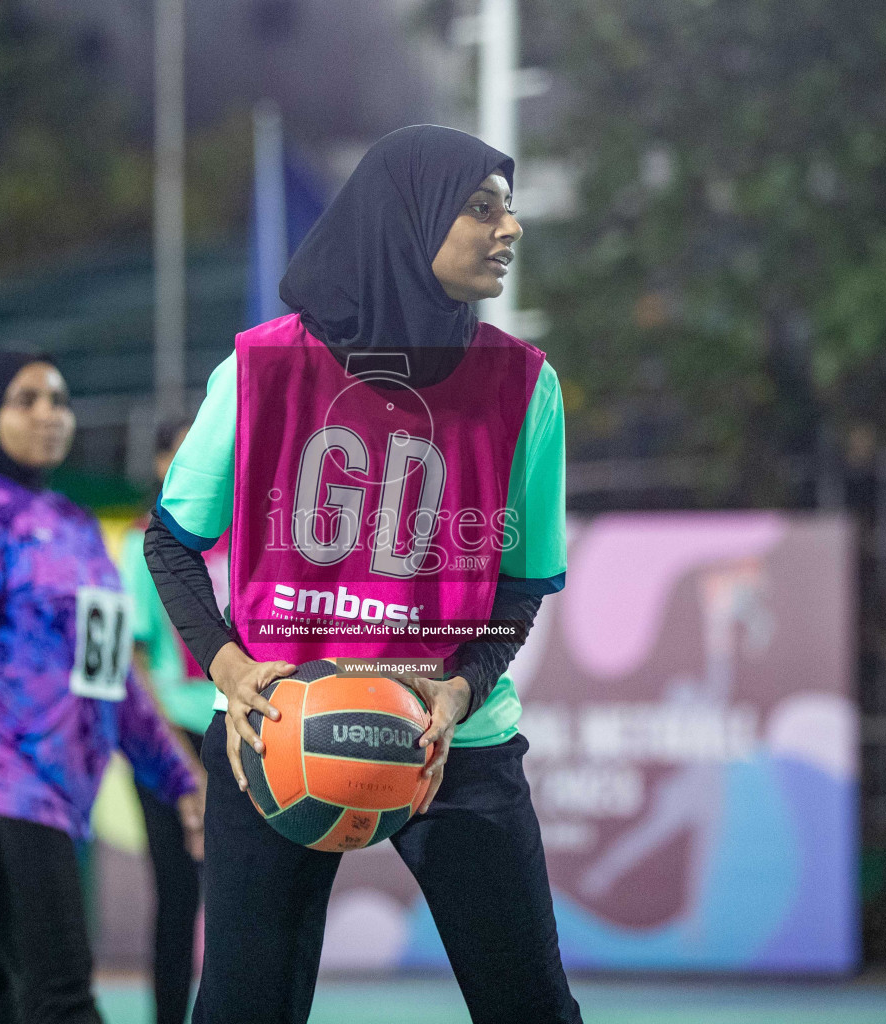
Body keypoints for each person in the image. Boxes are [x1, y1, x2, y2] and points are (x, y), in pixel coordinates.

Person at [144, 125, 582, 1024]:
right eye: (480, 207)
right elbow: (172, 541)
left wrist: (462, 690)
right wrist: (232, 671)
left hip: (447, 738)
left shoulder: (526, 388)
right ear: (407, 219)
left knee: (532, 1009)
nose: (511, 228)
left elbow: (520, 586)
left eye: (508, 206)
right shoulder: (260, 368)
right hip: (277, 732)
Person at [0, 350, 203, 1024]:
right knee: (61, 993)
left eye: (58, 400)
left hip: (54, 793)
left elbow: (110, 674)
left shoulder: (75, 526)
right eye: (25, 400)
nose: (49, 415)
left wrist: (180, 781)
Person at [118, 417, 219, 1024]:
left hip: (244, 732)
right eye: (183, 453)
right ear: (160, 466)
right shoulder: (141, 542)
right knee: (178, 897)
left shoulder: (244, 539)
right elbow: (133, 664)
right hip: (167, 744)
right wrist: (183, 769)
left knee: (243, 899)